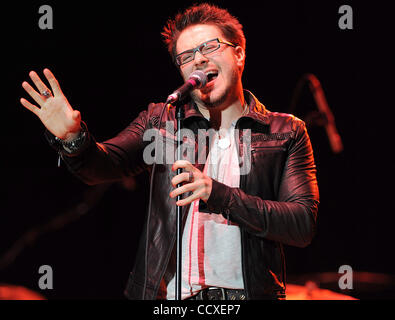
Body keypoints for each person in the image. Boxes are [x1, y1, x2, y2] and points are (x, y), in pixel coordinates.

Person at [20, 3, 319, 300]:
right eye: (186, 56)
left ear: (238, 54)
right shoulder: (161, 120)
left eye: (209, 47)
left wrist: (217, 194)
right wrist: (73, 137)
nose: (199, 60)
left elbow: (301, 223)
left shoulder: (285, 131)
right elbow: (101, 165)